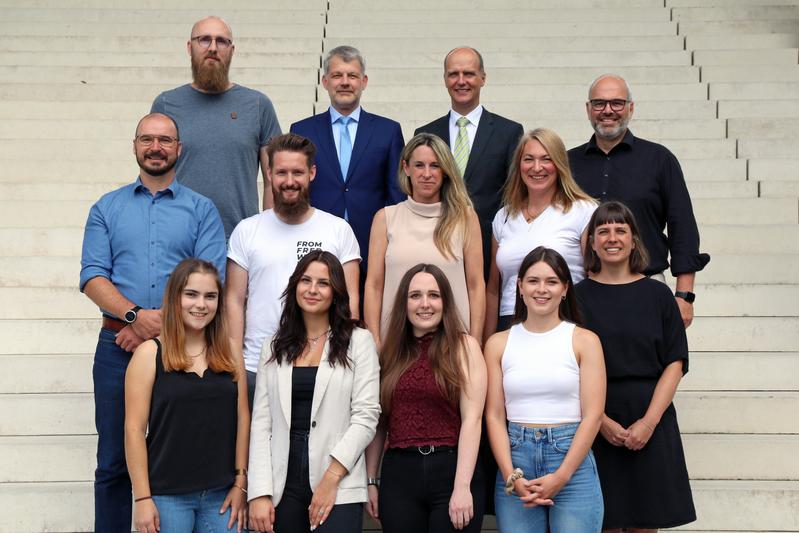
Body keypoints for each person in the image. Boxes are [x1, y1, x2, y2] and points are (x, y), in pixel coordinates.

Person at [79, 113, 227, 532]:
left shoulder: (201, 209)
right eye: (148, 139)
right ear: (135, 146)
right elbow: (92, 275)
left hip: (181, 348)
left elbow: (209, 276)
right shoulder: (107, 208)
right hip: (117, 347)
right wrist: (134, 318)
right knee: (111, 461)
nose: (156, 147)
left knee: (174, 454)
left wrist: (154, 328)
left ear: (179, 149)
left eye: (165, 140)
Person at [575, 201, 696, 531]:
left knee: (647, 521)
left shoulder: (658, 295)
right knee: (606, 521)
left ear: (633, 239)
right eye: (603, 231)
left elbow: (675, 362)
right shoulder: (576, 298)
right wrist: (599, 421)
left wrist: (648, 422)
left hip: (651, 414)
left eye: (620, 230)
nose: (612, 238)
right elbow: (569, 367)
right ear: (592, 243)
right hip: (597, 415)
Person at [248, 250, 380, 533]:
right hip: (282, 480)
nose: (312, 289)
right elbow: (261, 422)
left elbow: (366, 416)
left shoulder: (359, 341)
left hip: (339, 475)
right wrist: (259, 491)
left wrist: (331, 478)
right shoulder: (274, 346)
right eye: (305, 280)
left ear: (336, 292)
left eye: (323, 283)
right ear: (295, 285)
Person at [225, 133, 361, 409]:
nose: (289, 181)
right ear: (269, 173)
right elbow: (234, 300)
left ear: (312, 173)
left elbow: (351, 302)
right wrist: (235, 361)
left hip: (321, 365)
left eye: (297, 172)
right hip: (257, 366)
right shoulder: (247, 230)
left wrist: (343, 355)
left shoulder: (337, 230)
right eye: (282, 172)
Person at [568, 74, 710, 327]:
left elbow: (683, 227)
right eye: (599, 103)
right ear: (588, 110)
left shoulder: (659, 160)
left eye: (617, 103)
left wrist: (684, 296)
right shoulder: (568, 163)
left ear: (631, 108)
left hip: (647, 286)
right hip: (584, 290)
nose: (608, 111)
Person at [484, 247, 605, 532]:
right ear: (520, 286)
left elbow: (593, 416)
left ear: (565, 289)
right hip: (516, 464)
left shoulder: (584, 341)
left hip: (571, 459)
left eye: (551, 281)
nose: (542, 289)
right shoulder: (498, 343)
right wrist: (510, 476)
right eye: (533, 281)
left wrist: (562, 476)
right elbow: (493, 415)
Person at [125, 259, 249, 533]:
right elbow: (133, 430)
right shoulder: (149, 353)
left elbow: (242, 418)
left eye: (210, 296)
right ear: (175, 297)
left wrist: (241, 481)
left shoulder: (230, 351)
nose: (201, 304)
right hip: (167, 497)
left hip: (222, 495)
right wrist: (143, 497)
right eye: (191, 294)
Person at [365, 264, 487, 533]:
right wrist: (371, 479)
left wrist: (462, 487)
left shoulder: (464, 347)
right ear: (404, 303)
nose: (425, 304)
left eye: (434, 295)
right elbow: (379, 421)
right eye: (415, 295)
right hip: (399, 476)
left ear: (445, 302)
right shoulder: (390, 352)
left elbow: (473, 419)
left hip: (453, 470)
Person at [151, 16, 282, 237]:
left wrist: (270, 235)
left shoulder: (258, 105)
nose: (213, 48)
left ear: (231, 50)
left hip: (239, 240)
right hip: (179, 237)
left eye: (221, 41)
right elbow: (153, 176)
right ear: (189, 47)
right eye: (204, 40)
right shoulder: (165, 104)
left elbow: (272, 181)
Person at [291, 45, 405, 298]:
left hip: (371, 249)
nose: (345, 82)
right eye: (337, 75)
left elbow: (396, 195)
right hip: (316, 246)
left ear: (364, 82)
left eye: (352, 76)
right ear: (325, 81)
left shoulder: (388, 131)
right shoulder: (302, 130)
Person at [364, 133, 485, 346]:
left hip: (453, 345)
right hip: (397, 347)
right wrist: (375, 341)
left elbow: (475, 285)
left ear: (446, 171)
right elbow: (374, 285)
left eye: (435, 166)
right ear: (406, 168)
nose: (427, 174)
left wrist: (474, 343)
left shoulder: (465, 217)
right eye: (419, 165)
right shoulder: (385, 218)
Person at [415, 46, 523, 278]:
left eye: (469, 74)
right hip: (435, 245)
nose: (461, 81)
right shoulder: (425, 133)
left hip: (487, 249)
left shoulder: (509, 132)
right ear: (445, 79)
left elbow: (514, 193)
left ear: (483, 78)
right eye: (453, 74)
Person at [485, 128, 596, 341]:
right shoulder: (504, 216)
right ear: (519, 165)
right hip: (510, 323)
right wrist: (487, 341)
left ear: (560, 164)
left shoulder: (583, 211)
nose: (537, 168)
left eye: (546, 159)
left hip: (564, 321)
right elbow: (493, 289)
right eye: (529, 159)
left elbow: (594, 280)